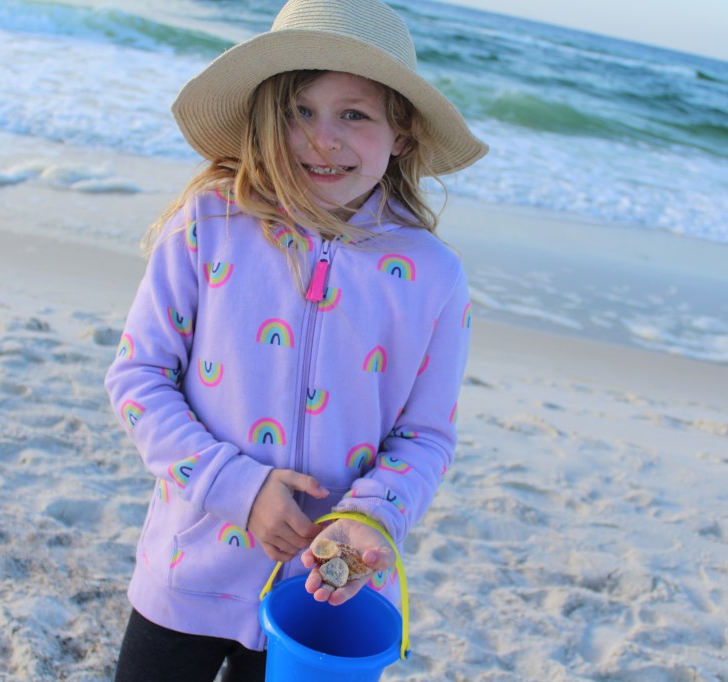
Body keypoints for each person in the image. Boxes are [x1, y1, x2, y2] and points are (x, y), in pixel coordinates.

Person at [104, 0, 487, 679]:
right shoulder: (210, 223)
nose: (321, 139)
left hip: (329, 589)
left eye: (355, 114)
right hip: (191, 568)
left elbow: (426, 436)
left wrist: (370, 521)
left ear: (400, 132)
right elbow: (138, 378)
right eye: (298, 111)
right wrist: (238, 488)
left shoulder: (433, 276)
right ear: (265, 118)